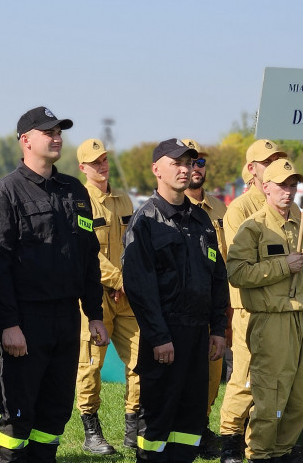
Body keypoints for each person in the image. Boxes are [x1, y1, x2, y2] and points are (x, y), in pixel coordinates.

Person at [0, 106, 109, 463]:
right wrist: (9, 324)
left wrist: (95, 314)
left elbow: (88, 258)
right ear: (26, 140)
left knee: (54, 414)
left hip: (67, 319)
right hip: (26, 319)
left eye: (59, 131)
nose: (57, 137)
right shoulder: (5, 193)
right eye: (48, 132)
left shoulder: (74, 190)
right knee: (18, 415)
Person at [122, 138, 228, 463]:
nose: (186, 169)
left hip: (198, 335)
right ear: (157, 169)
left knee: (191, 421)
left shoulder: (201, 221)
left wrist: (219, 329)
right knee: (158, 423)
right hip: (165, 338)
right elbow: (139, 288)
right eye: (177, 163)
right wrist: (158, 336)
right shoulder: (145, 222)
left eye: (190, 163)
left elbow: (217, 278)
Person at [226, 158, 303, 463]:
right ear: (265, 187)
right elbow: (237, 273)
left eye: (293, 185)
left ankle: (281, 454)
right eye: (282, 184)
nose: (288, 191)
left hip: (301, 321)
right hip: (270, 321)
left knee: (297, 401)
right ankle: (259, 455)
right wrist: (282, 266)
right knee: (270, 398)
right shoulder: (253, 227)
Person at [218, 139, 287, 463]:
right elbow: (240, 264)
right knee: (245, 378)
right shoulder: (240, 209)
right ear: (251, 169)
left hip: (281, 309)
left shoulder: (289, 208)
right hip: (250, 308)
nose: (274, 164)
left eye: (279, 158)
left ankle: (263, 440)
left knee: (276, 378)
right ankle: (229, 441)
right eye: (267, 160)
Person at [73, 138, 139, 454]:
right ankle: (91, 432)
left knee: (142, 358)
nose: (102, 166)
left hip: (127, 295)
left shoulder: (125, 202)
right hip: (94, 295)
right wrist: (117, 280)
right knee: (91, 364)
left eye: (104, 160)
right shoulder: (80, 201)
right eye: (94, 162)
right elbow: (86, 252)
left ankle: (133, 428)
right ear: (82, 167)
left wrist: (130, 280)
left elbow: (135, 245)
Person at [183, 138, 228, 459]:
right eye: (190, 163)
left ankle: (201, 426)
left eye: (200, 162)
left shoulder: (220, 208)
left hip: (214, 305)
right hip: (181, 308)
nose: (197, 168)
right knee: (182, 373)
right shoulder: (166, 209)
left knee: (213, 373)